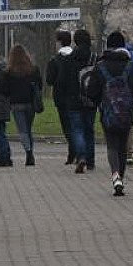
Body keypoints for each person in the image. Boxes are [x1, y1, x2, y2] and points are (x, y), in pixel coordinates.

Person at [84, 31, 133, 196]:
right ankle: (121, 179)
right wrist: (130, 101)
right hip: (127, 113)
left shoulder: (100, 67)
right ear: (123, 46)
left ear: (108, 46)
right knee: (123, 147)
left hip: (108, 112)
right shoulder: (131, 67)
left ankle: (115, 176)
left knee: (111, 145)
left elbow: (91, 91)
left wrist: (100, 101)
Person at [56, 29, 97, 174]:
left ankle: (81, 157)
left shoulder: (69, 59)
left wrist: (64, 96)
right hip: (90, 100)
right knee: (89, 130)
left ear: (76, 42)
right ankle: (91, 161)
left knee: (77, 129)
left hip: (73, 100)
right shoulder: (94, 58)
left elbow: (61, 81)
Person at [0, 44, 43, 166]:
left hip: (16, 104)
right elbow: (39, 85)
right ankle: (30, 153)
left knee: (22, 130)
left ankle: (29, 153)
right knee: (29, 129)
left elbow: (4, 89)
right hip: (30, 103)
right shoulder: (33, 69)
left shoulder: (8, 72)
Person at [44, 30, 77, 165]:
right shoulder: (76, 57)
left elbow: (50, 80)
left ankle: (73, 152)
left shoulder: (55, 60)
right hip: (76, 96)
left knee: (67, 127)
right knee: (77, 125)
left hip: (61, 98)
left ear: (59, 43)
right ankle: (78, 152)